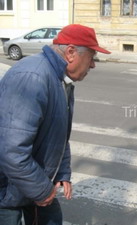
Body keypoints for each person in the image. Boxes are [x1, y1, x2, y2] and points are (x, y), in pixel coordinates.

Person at [0, 24, 110, 225]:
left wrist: (62, 172)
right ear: (70, 52)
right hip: (9, 191)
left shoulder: (59, 79)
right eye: (92, 57)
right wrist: (42, 190)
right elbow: (12, 151)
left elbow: (58, 135)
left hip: (32, 180)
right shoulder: (32, 78)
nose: (93, 64)